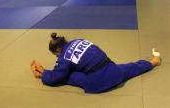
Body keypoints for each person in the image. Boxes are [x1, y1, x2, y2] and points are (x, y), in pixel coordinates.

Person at [30, 33, 161, 93]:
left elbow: (58, 77)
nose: (57, 57)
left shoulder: (64, 56)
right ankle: (153, 62)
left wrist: (44, 73)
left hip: (98, 82)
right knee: (132, 67)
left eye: (56, 55)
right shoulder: (78, 40)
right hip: (114, 70)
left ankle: (41, 74)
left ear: (58, 50)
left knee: (68, 75)